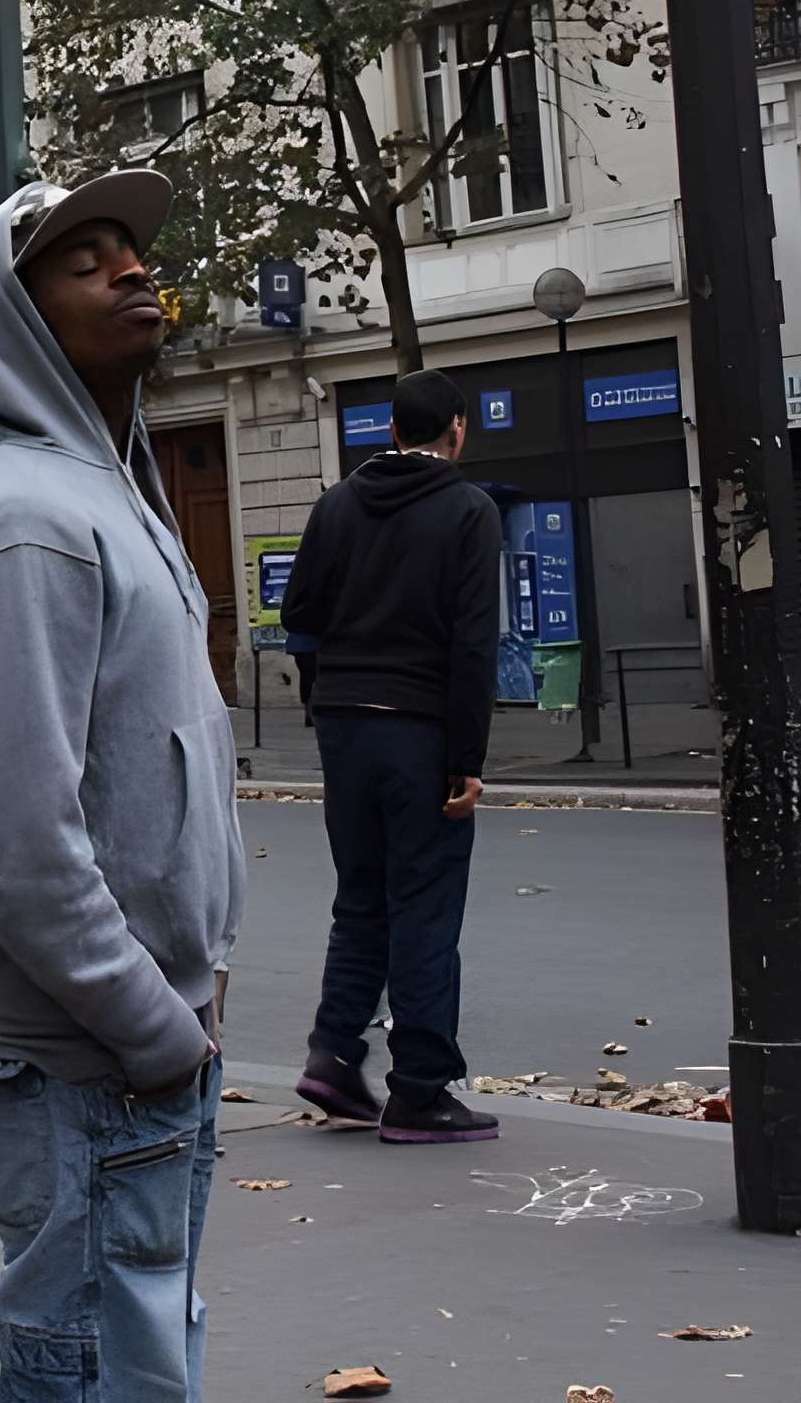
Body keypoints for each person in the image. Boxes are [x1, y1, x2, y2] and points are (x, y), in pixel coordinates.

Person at [0, 172, 245, 1400]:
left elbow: (164, 752)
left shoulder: (111, 493)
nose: (127, 268)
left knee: (128, 1339)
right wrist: (151, 1024)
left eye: (129, 248)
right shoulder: (31, 521)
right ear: (15, 316)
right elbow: (6, 833)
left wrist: (195, 972)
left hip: (137, 1025)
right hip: (87, 1045)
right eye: (81, 259)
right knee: (95, 1357)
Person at [277, 364, 504, 1143]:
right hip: (419, 727)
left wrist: (327, 682)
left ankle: (334, 1053)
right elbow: (473, 643)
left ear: (390, 431)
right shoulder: (468, 511)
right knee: (426, 907)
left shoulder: (336, 504)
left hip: (345, 724)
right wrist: (466, 756)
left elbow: (297, 609)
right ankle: (420, 1087)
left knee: (362, 896)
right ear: (458, 428)